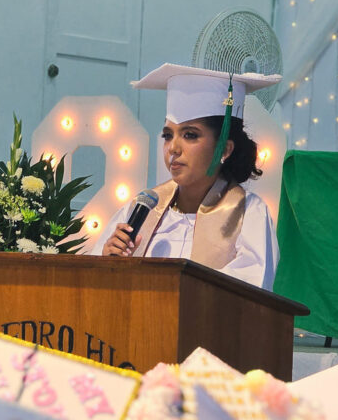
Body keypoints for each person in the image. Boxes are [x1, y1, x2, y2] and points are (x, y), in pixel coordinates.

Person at [90, 63, 282, 290]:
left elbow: (248, 295)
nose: (173, 148)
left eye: (190, 135)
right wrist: (107, 262)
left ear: (225, 150)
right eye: (167, 135)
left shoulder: (249, 214)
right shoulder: (142, 209)